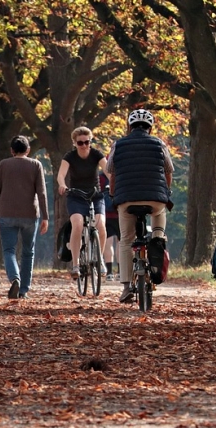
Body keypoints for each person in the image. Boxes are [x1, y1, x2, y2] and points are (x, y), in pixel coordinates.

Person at [106, 109, 173, 303]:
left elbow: (111, 172)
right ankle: (157, 243)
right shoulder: (160, 144)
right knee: (159, 223)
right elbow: (168, 171)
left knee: (126, 240)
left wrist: (113, 194)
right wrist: (166, 192)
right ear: (150, 127)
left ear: (130, 126)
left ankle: (126, 287)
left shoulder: (118, 145)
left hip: (127, 199)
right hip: (155, 199)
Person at [0, 135, 49, 299]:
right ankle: (23, 289)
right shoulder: (36, 164)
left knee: (9, 250)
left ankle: (14, 277)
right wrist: (45, 217)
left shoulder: (4, 164)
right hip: (30, 214)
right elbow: (41, 193)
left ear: (12, 150)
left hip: (6, 214)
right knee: (28, 252)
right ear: (28, 150)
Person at [57, 126, 108, 280]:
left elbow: (108, 170)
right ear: (75, 143)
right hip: (76, 196)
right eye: (80, 143)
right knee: (77, 224)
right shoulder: (70, 157)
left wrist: (113, 183)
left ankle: (99, 260)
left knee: (101, 225)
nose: (84, 146)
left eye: (87, 142)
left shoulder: (96, 154)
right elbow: (61, 174)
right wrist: (62, 185)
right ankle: (76, 264)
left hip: (95, 195)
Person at [99, 172, 121, 280]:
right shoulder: (121, 174)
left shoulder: (101, 177)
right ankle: (121, 272)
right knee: (121, 243)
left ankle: (109, 272)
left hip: (106, 213)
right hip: (120, 212)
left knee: (108, 243)